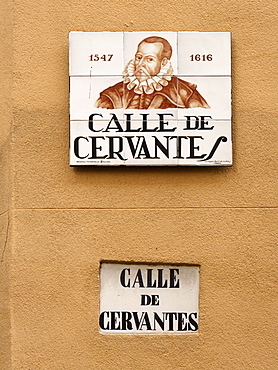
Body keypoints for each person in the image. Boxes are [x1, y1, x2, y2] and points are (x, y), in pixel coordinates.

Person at [95, 36, 210, 110]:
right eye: (139, 57)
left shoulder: (186, 94)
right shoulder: (112, 94)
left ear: (163, 62)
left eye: (149, 59)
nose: (141, 64)